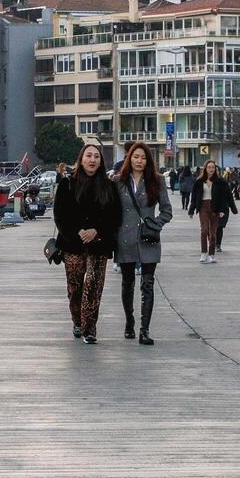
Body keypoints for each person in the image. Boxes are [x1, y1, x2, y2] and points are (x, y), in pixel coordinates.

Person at [52, 142, 121, 344]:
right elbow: (60, 215)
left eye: (96, 156)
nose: (92, 160)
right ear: (81, 159)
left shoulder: (109, 186)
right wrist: (78, 232)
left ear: (101, 161)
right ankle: (77, 320)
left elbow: (115, 216)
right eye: (88, 156)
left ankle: (89, 328)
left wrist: (96, 231)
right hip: (72, 243)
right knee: (75, 287)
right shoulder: (67, 184)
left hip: (99, 244)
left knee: (93, 285)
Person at [115, 142, 172, 345]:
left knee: (147, 284)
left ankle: (144, 329)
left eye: (143, 157)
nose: (139, 161)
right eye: (136, 156)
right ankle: (129, 322)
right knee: (127, 282)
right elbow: (112, 210)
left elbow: (167, 210)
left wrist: (155, 224)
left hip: (148, 238)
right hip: (125, 238)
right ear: (129, 158)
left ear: (148, 161)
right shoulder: (118, 181)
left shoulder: (156, 180)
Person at [188, 160, 235, 263]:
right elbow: (194, 197)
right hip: (203, 207)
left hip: (215, 208)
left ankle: (212, 254)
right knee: (204, 230)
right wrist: (191, 210)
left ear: (215, 169)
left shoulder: (220, 181)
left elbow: (224, 197)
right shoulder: (199, 181)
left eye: (213, 167)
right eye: (209, 167)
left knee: (213, 233)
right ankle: (204, 253)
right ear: (205, 168)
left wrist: (223, 210)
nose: (211, 169)